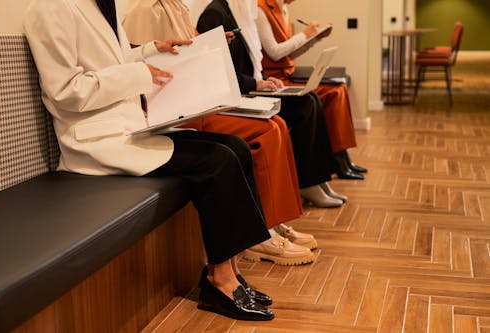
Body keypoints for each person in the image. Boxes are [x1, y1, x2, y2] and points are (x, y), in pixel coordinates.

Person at [24, 0, 275, 321]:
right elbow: (67, 92)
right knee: (217, 160)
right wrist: (138, 72)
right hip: (97, 140)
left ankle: (231, 270)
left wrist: (149, 51)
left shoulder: (103, 4)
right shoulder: (49, 8)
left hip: (130, 127)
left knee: (235, 147)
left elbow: (109, 61)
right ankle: (220, 281)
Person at [123, 0, 349, 265]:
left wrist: (210, 48)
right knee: (267, 131)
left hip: (199, 99)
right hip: (178, 109)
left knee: (276, 124)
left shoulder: (180, 8)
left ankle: (274, 223)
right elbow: (148, 70)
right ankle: (263, 234)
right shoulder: (149, 10)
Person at [196, 0, 349, 215]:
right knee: (304, 106)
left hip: (250, 88)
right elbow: (218, 72)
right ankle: (307, 183)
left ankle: (318, 179)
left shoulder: (242, 14)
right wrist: (256, 83)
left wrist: (266, 79)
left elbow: (252, 65)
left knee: (311, 99)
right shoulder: (215, 14)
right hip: (238, 95)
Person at [256, 0, 367, 180]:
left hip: (287, 73)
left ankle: (342, 156)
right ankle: (337, 161)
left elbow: (290, 53)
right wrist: (304, 35)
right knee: (329, 93)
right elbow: (275, 52)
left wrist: (315, 38)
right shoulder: (261, 10)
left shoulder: (283, 9)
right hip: (275, 78)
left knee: (338, 89)